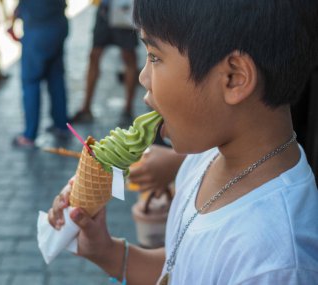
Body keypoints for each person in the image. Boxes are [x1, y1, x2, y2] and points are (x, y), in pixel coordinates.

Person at [48, 0, 318, 284]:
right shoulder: (207, 157)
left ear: (234, 78)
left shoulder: (275, 265)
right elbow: (178, 268)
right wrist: (106, 251)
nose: (143, 78)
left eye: (154, 56)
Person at [10, 0, 70, 147]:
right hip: (58, 26)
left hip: (37, 30)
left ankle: (29, 135)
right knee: (56, 78)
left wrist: (13, 20)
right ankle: (61, 125)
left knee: (31, 82)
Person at [70, 0, 138, 124]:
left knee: (128, 57)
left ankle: (128, 109)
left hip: (124, 7)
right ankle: (86, 108)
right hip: (105, 10)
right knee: (94, 55)